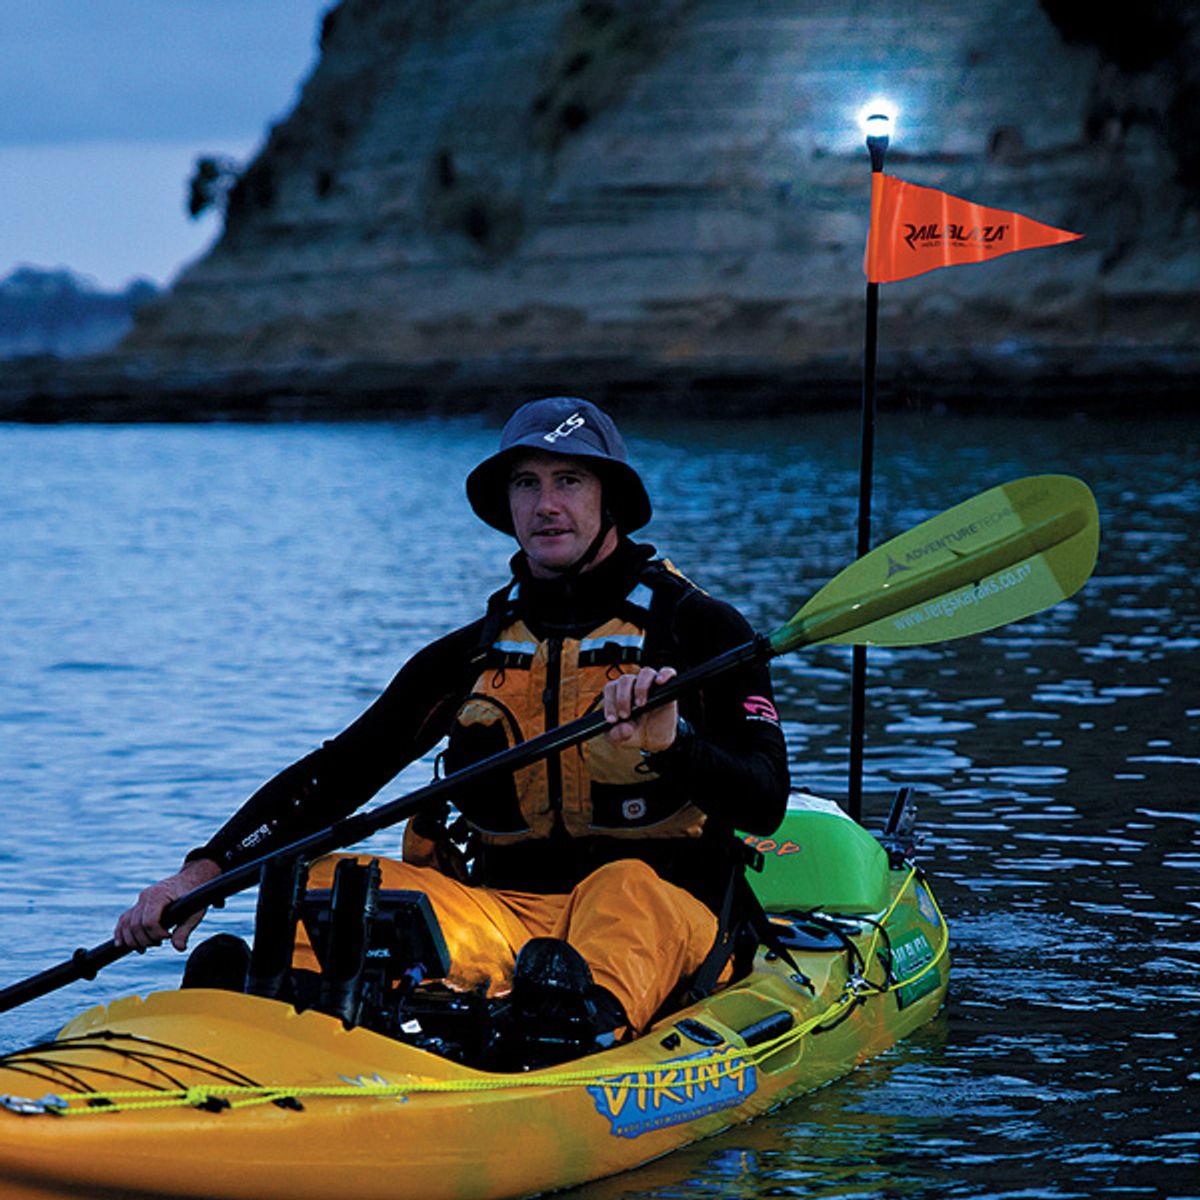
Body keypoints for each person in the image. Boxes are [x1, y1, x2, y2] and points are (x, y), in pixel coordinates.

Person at [115, 397, 789, 1059]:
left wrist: (677, 744)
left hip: (667, 912)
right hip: (502, 917)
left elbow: (766, 797)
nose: (545, 504)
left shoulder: (701, 631)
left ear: (609, 497)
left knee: (626, 890)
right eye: (526, 484)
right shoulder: (470, 653)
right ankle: (262, 1015)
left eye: (568, 480)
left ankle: (570, 1033)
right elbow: (337, 775)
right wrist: (201, 873)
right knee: (325, 881)